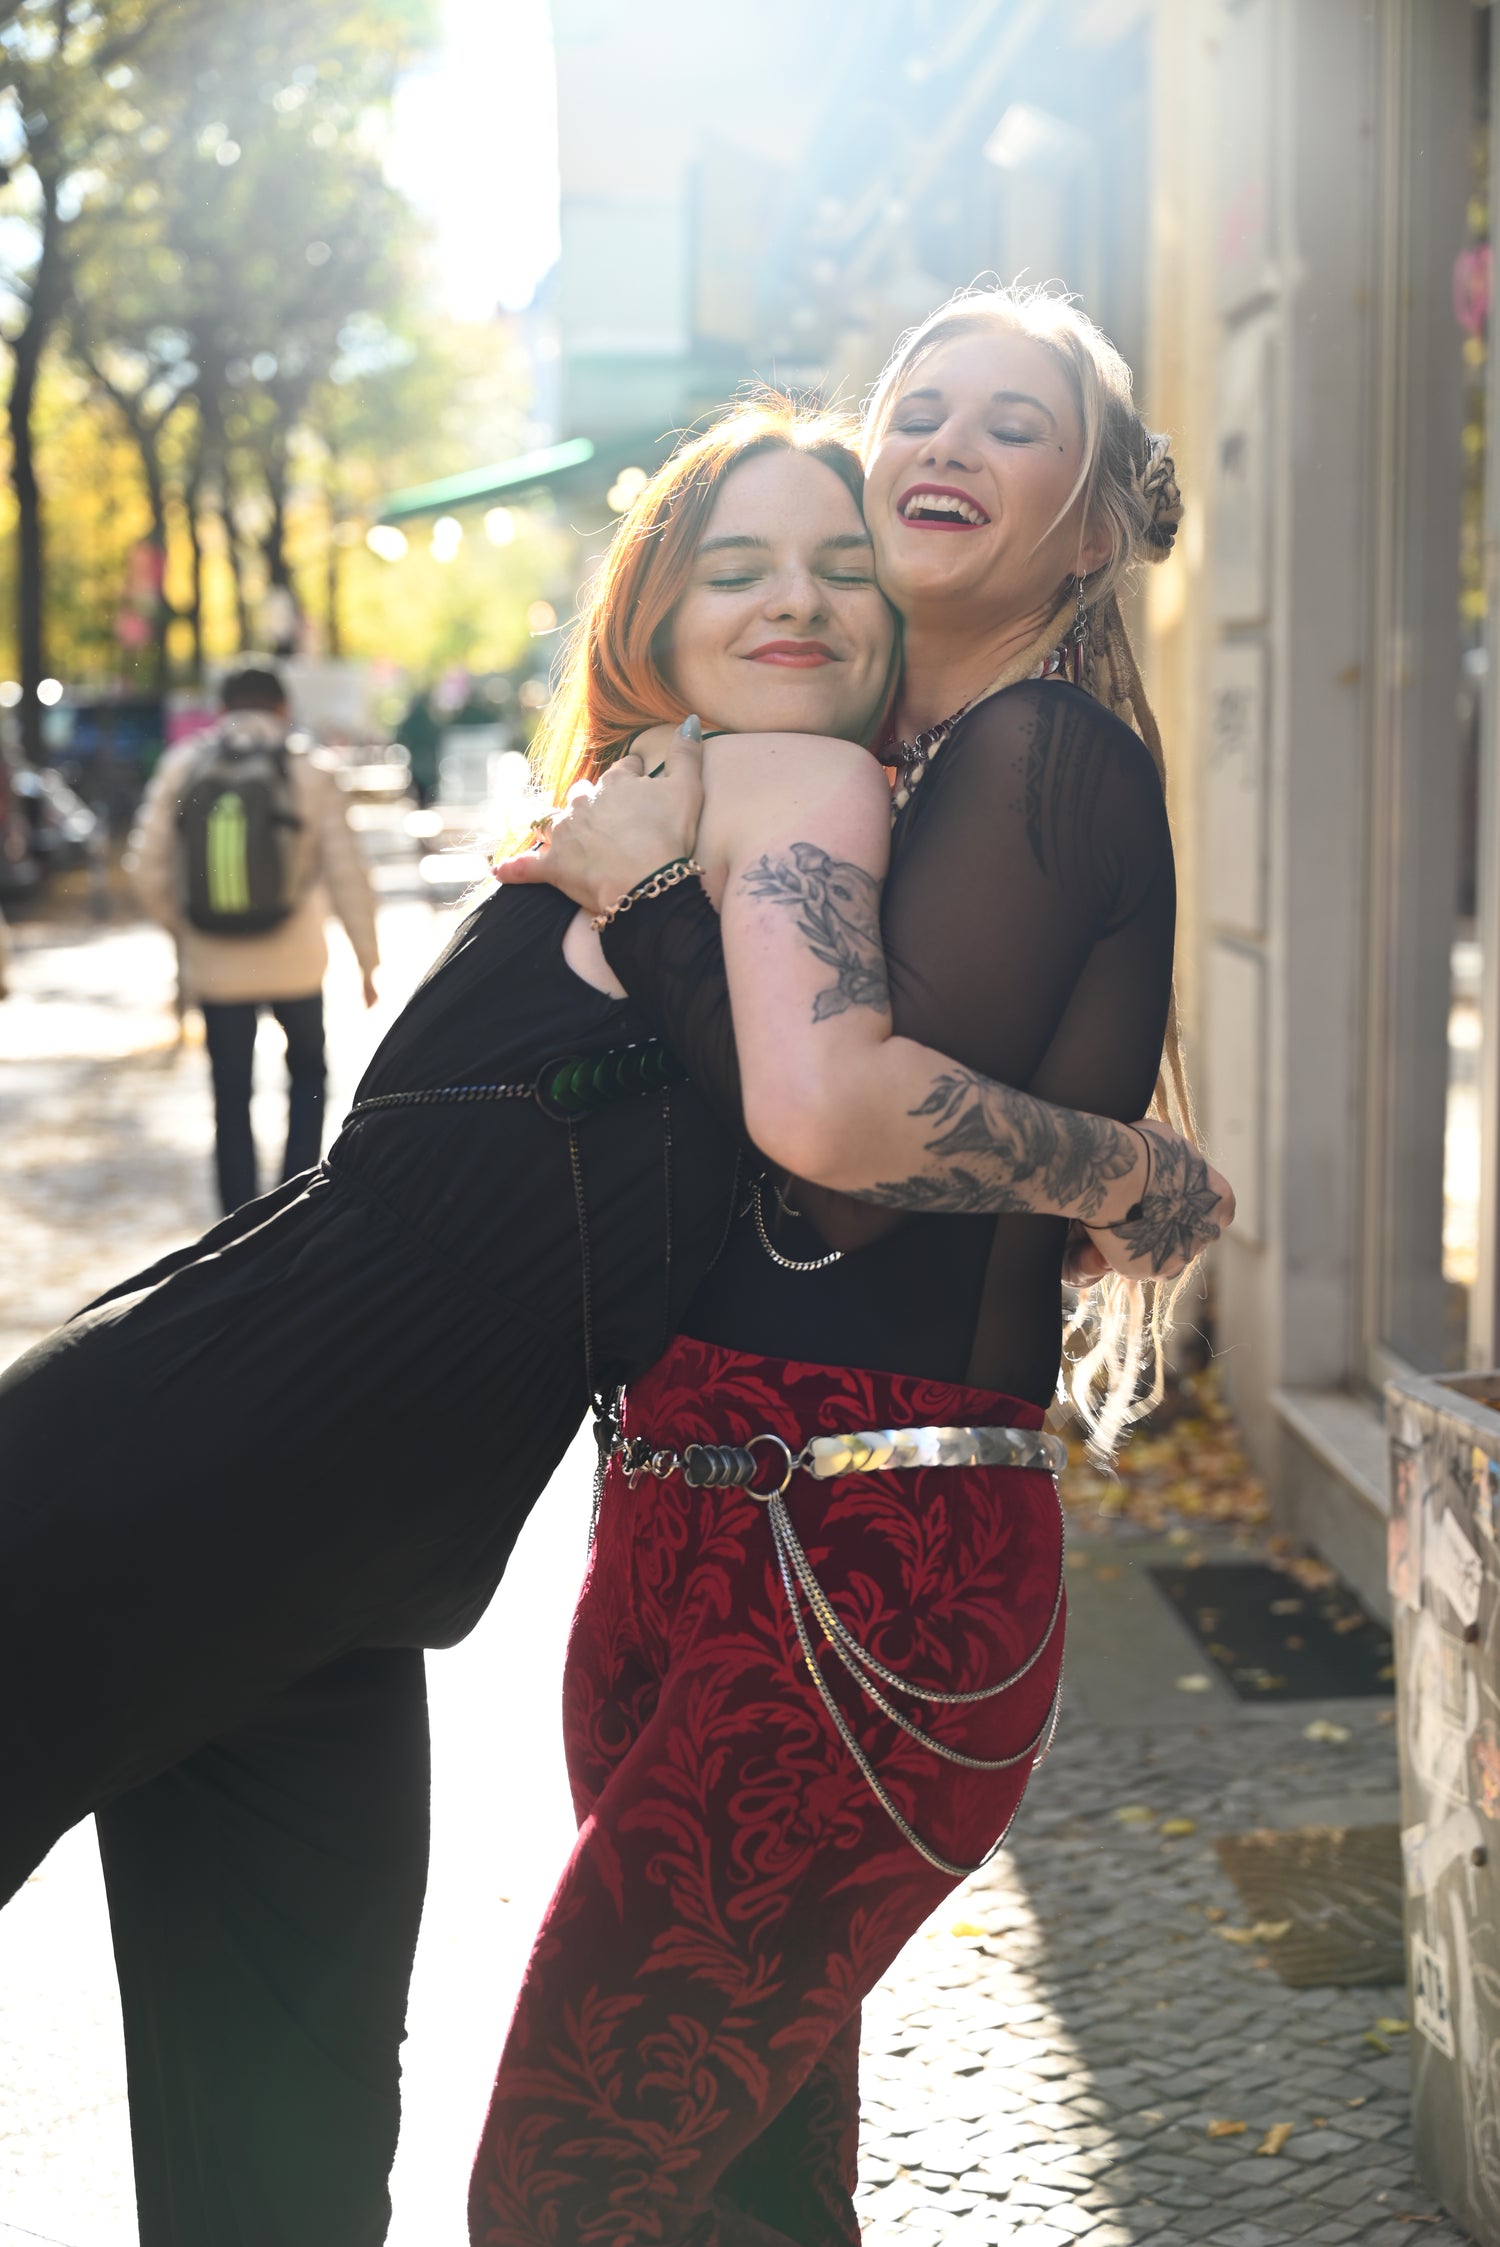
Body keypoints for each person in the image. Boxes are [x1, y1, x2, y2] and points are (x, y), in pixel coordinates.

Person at [0, 402, 1223, 2247]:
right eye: (738, 566)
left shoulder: (735, 813)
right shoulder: (772, 786)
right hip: (166, 1478)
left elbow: (851, 1125)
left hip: (329, 1587)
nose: (795, 599)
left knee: (276, 2173)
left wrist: (1102, 1163)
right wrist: (1130, 1166)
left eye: (840, 565)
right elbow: (830, 1123)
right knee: (313, 2164)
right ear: (651, 616)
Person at [471, 286, 1206, 2244]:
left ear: (1095, 522)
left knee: (563, 2187)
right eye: (920, 408)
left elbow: (851, 1174)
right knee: (742, 2191)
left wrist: (647, 894)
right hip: (695, 1518)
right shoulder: (882, 769)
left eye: (1014, 424)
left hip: (869, 1553)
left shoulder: (1044, 749)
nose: (946, 443)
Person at [128, 665, 380, 1213]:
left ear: (222, 709)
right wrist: (367, 961)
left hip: (216, 966)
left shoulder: (184, 765)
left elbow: (145, 867)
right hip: (297, 963)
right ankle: (295, 1203)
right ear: (282, 709)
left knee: (230, 1095)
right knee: (308, 1076)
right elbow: (347, 874)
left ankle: (237, 1221)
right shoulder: (311, 770)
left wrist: (187, 929)